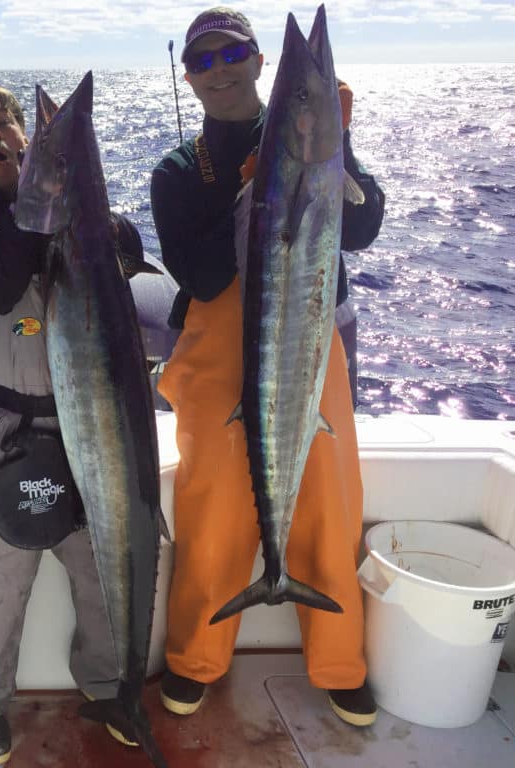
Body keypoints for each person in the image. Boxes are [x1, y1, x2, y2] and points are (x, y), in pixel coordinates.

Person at [150, 7, 385, 727]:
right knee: (213, 515)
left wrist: (336, 159)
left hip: (310, 349)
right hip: (217, 363)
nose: (218, 70)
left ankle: (340, 664)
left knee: (326, 508)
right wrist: (256, 188)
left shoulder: (318, 137)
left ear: (258, 62)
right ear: (188, 77)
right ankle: (196, 659)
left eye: (232, 55)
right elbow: (197, 271)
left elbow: (366, 224)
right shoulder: (181, 170)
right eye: (202, 61)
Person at [0, 86, 140, 766]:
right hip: (1, 427)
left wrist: (107, 220)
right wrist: (38, 200)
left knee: (109, 579)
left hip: (94, 428)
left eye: (8, 122)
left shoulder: (74, 206)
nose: (0, 136)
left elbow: (128, 263)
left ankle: (111, 688)